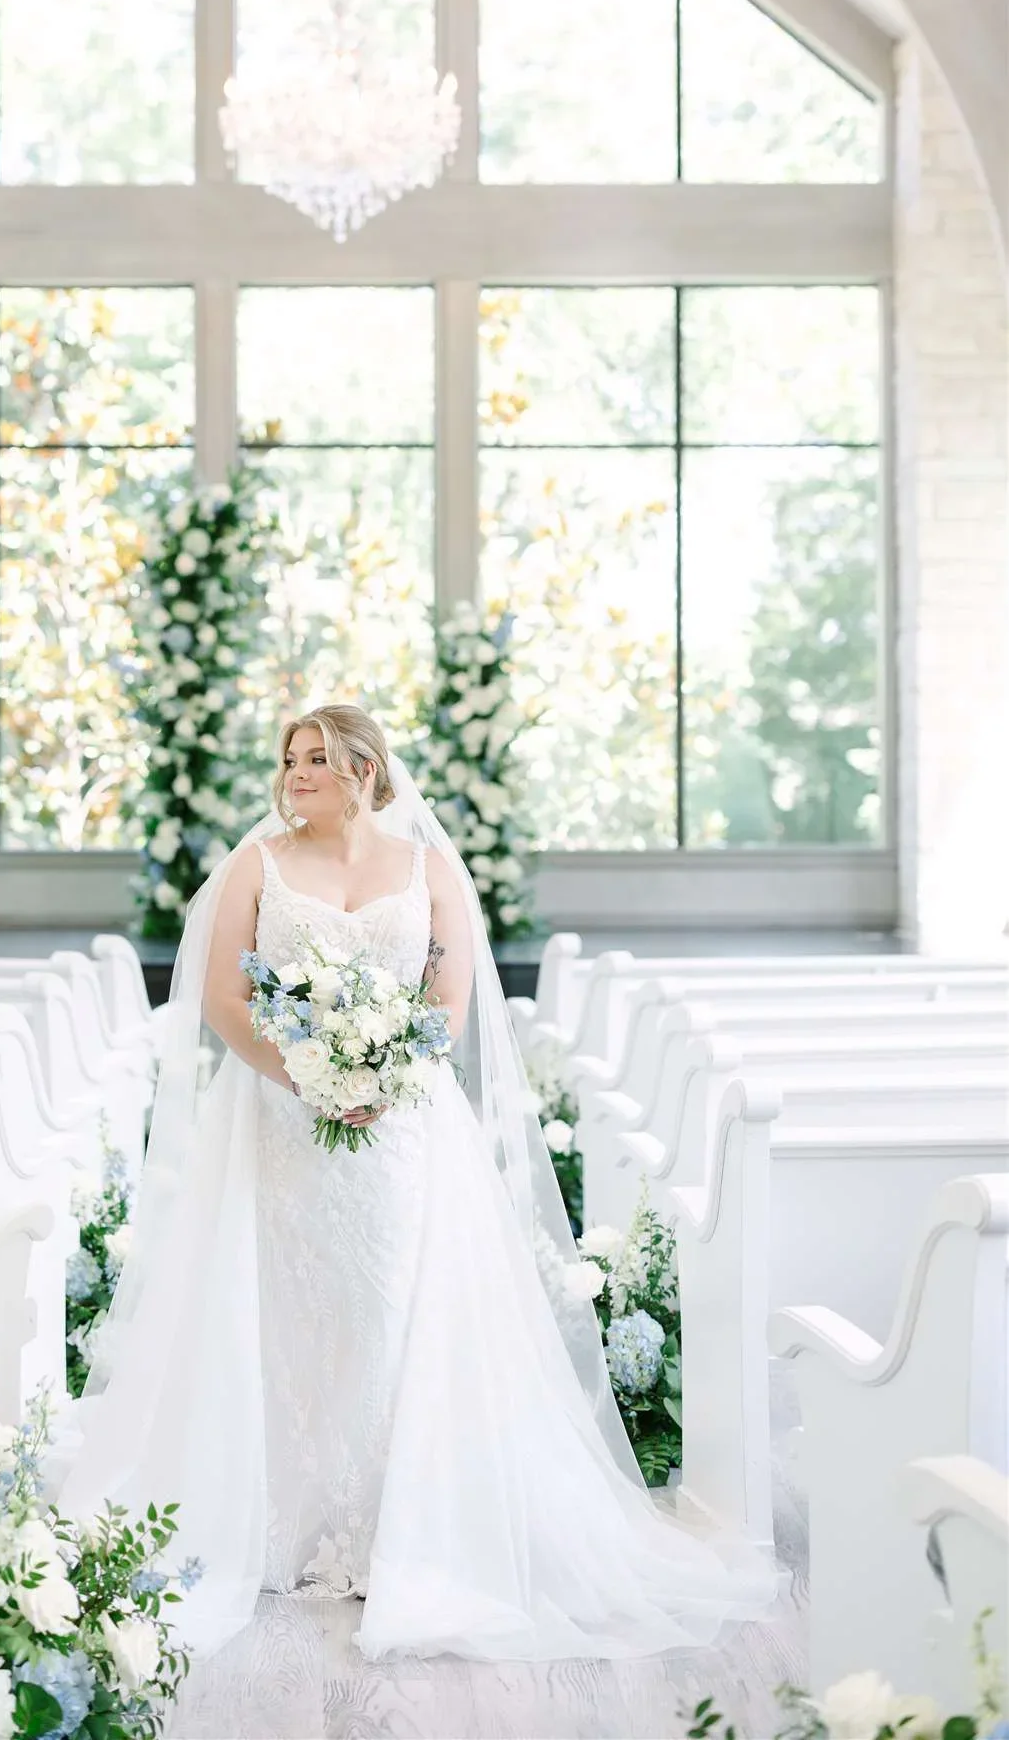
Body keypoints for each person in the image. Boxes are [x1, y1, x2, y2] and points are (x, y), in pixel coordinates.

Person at [58, 704, 777, 1660]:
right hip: (275, 1120)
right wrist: (307, 1074)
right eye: (289, 759)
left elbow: (447, 1004)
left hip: (402, 1128)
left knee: (393, 1301)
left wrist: (379, 1078)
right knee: (277, 1296)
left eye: (318, 758)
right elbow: (223, 998)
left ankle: (401, 1521)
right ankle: (281, 1516)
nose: (298, 773)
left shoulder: (428, 870)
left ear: (365, 768)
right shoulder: (255, 866)